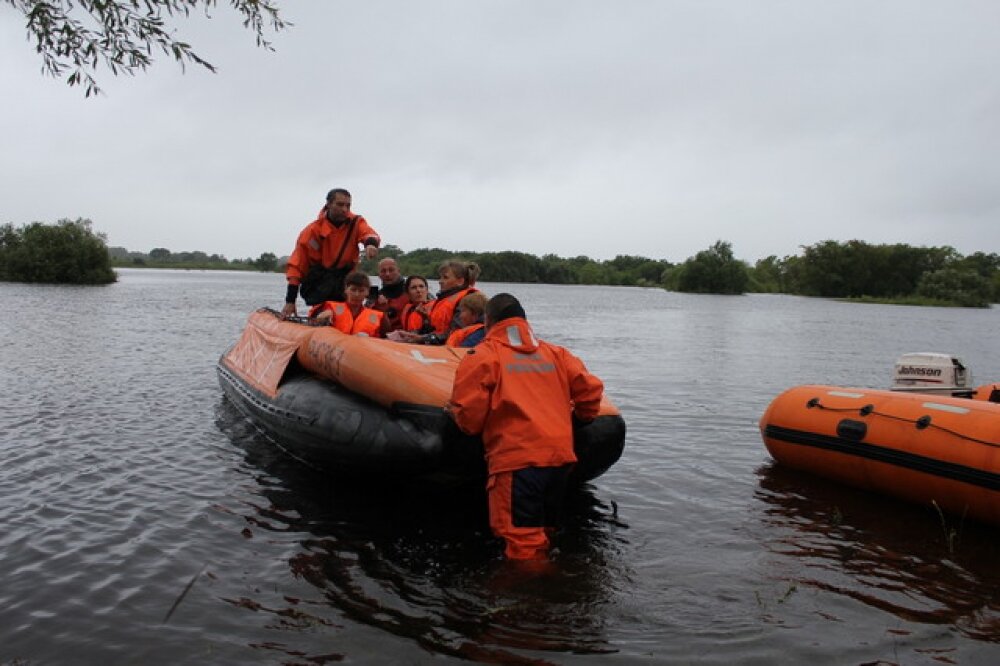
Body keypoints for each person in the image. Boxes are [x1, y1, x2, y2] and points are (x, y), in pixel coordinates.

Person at [446, 293, 605, 560]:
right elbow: (590, 393)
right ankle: (557, 588)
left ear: (488, 321)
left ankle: (528, 597)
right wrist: (578, 420)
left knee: (521, 542)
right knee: (545, 528)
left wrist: (454, 417)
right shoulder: (557, 354)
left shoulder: (484, 356)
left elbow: (470, 420)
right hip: (560, 459)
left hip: (517, 462)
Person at [282, 188, 380, 317]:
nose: (345, 209)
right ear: (328, 204)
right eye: (340, 205)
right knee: (325, 309)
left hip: (344, 280)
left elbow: (368, 233)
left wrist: (370, 244)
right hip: (319, 283)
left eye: (348, 205)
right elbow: (296, 267)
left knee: (350, 299)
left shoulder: (356, 222)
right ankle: (321, 316)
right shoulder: (312, 232)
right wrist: (290, 300)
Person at [396, 260, 480, 344]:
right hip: (440, 346)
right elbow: (436, 329)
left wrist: (422, 338)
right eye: (440, 277)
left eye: (445, 277)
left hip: (455, 350)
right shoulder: (443, 300)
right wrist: (423, 323)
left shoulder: (467, 300)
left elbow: (456, 333)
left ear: (460, 281)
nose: (440, 281)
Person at [309, 271, 390, 338]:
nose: (357, 294)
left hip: (362, 352)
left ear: (367, 292)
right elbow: (312, 323)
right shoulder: (331, 308)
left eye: (361, 291)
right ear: (346, 289)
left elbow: (386, 338)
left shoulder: (378, 316)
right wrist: (321, 318)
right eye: (353, 290)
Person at [367, 258, 410, 331]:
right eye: (383, 271)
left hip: (408, 337)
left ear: (398, 271)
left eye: (391, 270)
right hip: (383, 338)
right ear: (379, 275)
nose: (387, 274)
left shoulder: (413, 290)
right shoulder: (373, 296)